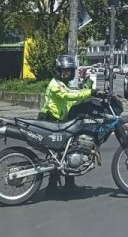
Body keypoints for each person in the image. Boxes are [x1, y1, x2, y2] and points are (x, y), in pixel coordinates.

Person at [38, 55, 100, 189]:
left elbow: (72, 97)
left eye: (69, 71)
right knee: (58, 154)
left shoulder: (62, 84)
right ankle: (55, 186)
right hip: (50, 120)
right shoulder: (55, 84)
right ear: (57, 71)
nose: (67, 74)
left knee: (65, 153)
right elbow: (68, 95)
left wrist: (88, 87)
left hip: (58, 120)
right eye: (64, 71)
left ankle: (65, 185)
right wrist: (90, 92)